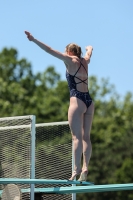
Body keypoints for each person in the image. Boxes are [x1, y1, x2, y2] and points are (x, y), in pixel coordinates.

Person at [25, 31, 94, 181]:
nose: (64, 54)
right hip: (89, 101)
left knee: (76, 137)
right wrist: (90, 49)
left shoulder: (70, 60)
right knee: (86, 137)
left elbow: (49, 50)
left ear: (69, 52)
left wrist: (34, 39)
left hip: (77, 100)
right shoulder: (85, 61)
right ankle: (86, 167)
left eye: (65, 51)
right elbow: (89, 54)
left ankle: (75, 171)